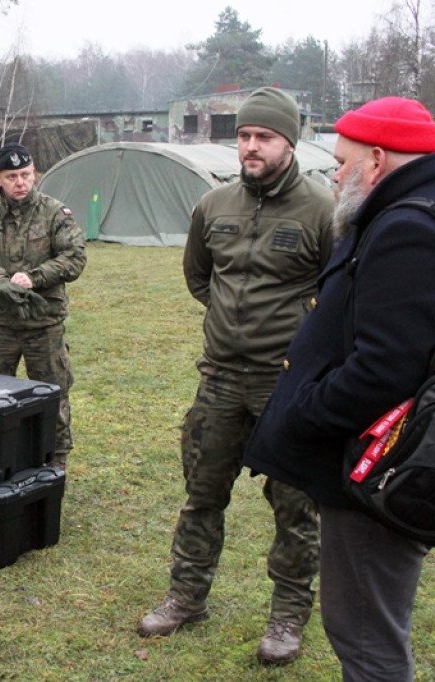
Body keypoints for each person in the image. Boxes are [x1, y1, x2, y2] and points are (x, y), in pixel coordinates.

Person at [137, 87, 335, 666]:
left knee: (295, 505)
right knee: (202, 495)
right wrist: (231, 322)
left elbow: (339, 290)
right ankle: (187, 597)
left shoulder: (322, 210)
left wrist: (295, 336)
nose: (250, 146)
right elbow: (200, 278)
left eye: (263, 137)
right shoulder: (214, 204)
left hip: (287, 385)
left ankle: (288, 616)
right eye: (244, 135)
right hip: (220, 378)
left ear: (288, 142)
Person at [244, 97, 435, 681]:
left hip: (373, 473)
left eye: (343, 162)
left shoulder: (406, 228)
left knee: (364, 635)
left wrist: (303, 412)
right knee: (366, 628)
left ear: (377, 161)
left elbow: (385, 368)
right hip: (382, 461)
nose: (334, 173)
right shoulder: (407, 212)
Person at [0, 142, 87, 470]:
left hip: (44, 325)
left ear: (35, 175)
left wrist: (35, 277)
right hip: (1, 327)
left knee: (52, 395)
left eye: (27, 174)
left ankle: (55, 462)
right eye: (12, 176)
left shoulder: (54, 213)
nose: (21, 182)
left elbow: (74, 257)